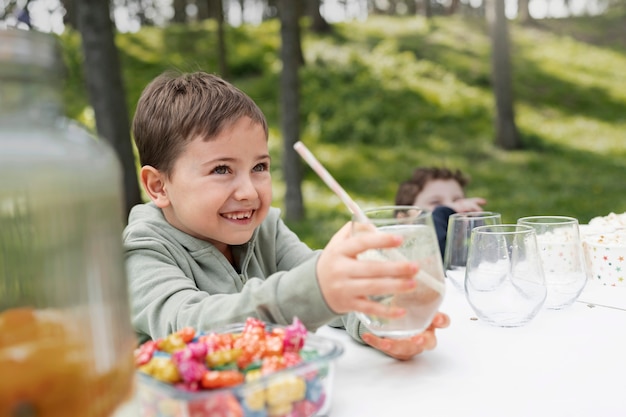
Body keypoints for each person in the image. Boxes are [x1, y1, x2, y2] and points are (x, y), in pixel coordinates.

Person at [123, 71, 449, 361]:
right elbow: (191, 330)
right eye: (221, 169)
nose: (249, 191)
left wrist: (378, 320)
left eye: (259, 167)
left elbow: (321, 285)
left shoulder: (265, 228)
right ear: (158, 186)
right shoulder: (142, 252)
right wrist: (317, 287)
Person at [395, 167, 487, 257]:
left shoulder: (470, 258)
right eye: (435, 202)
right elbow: (435, 252)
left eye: (457, 201)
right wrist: (443, 212)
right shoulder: (399, 258)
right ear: (404, 219)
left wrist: (479, 225)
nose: (452, 208)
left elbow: (493, 257)